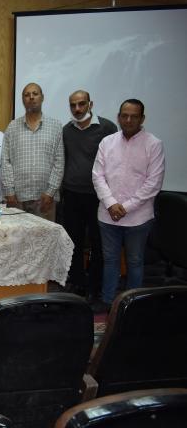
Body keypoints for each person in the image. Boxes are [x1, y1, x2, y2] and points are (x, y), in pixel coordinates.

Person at [92, 99, 165, 312]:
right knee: (110, 261)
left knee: (135, 261)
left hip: (138, 218)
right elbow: (97, 176)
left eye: (134, 116)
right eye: (124, 115)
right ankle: (108, 302)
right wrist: (111, 204)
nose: (128, 120)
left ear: (142, 119)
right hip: (107, 215)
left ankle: (132, 306)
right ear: (119, 117)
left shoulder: (154, 144)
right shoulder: (107, 142)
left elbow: (154, 183)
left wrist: (125, 207)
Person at [61, 90, 117, 300]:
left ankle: (94, 286)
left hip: (98, 196)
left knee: (97, 243)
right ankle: (77, 282)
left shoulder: (107, 128)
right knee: (73, 242)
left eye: (81, 104)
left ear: (90, 104)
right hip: (71, 194)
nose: (77, 109)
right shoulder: (67, 130)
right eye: (73, 105)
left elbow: (115, 161)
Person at [1, 82, 64, 221]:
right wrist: (9, 192)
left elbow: (59, 162)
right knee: (17, 235)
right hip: (17, 198)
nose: (31, 97)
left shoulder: (55, 126)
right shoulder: (12, 127)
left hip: (45, 198)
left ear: (42, 97)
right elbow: (5, 161)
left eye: (35, 94)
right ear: (22, 99)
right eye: (27, 95)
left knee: (45, 235)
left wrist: (50, 192)